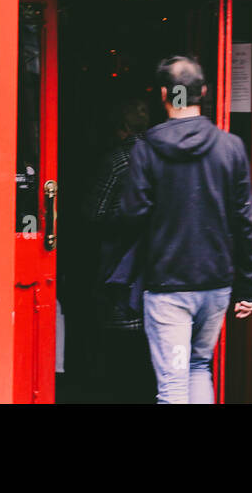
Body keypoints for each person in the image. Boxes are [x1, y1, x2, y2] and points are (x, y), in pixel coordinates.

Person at [115, 55, 252, 404]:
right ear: (204, 92)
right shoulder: (231, 147)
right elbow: (245, 221)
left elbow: (131, 213)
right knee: (198, 367)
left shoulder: (146, 147)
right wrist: (248, 286)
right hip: (216, 284)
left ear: (164, 94)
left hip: (167, 284)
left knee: (173, 383)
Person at [80, 97, 154, 403]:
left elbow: (92, 213)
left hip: (121, 259)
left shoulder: (118, 159)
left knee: (122, 338)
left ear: (120, 125)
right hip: (159, 262)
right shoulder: (163, 155)